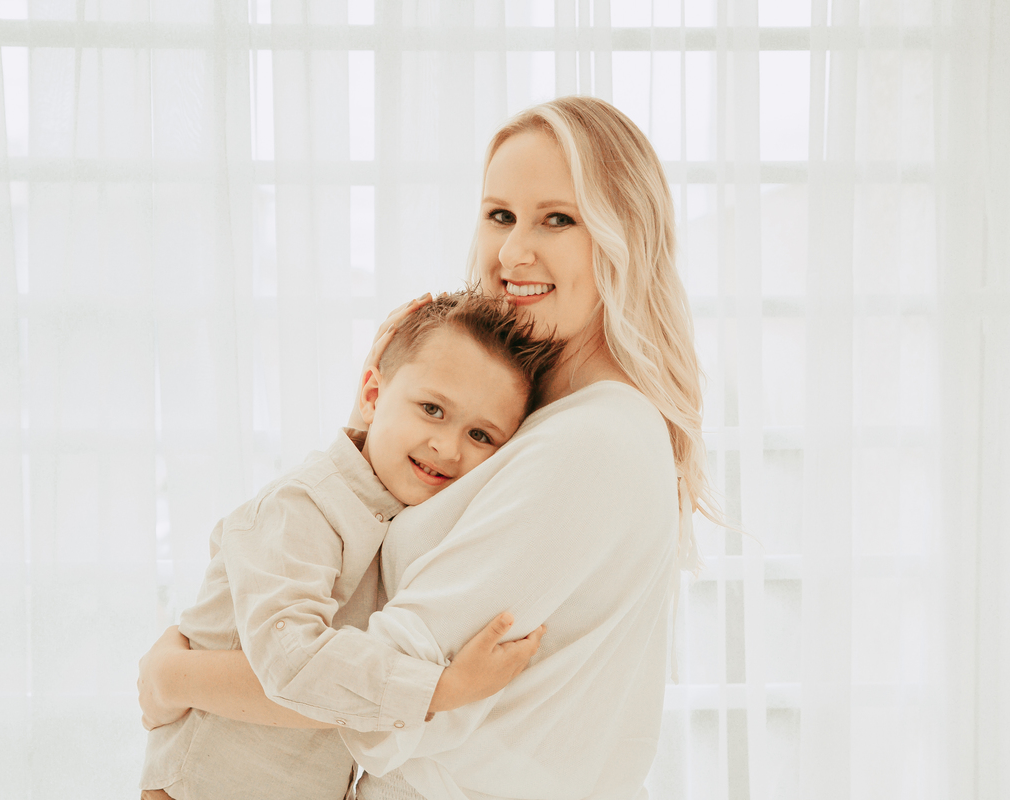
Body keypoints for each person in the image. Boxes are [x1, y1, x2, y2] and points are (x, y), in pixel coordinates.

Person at [138, 96, 718, 800]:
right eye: (499, 214)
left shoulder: (595, 440)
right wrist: (378, 415)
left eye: (557, 219)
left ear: (625, 235)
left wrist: (175, 678)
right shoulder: (535, 425)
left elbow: (378, 696)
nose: (513, 252)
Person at [139, 290, 563, 800]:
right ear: (372, 396)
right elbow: (291, 662)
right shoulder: (301, 507)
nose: (448, 447)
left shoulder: (409, 520)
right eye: (432, 409)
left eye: (481, 436)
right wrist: (444, 689)